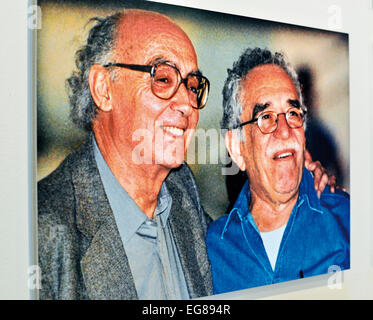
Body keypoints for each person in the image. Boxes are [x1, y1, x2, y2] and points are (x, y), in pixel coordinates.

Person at [38, 10, 335, 300]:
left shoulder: (180, 190)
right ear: (103, 89)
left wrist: (295, 187)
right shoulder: (42, 232)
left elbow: (240, 252)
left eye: (192, 86)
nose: (186, 104)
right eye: (163, 79)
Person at [206, 47, 349, 294]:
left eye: (293, 113)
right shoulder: (211, 250)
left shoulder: (346, 221)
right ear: (237, 150)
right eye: (266, 117)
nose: (284, 130)